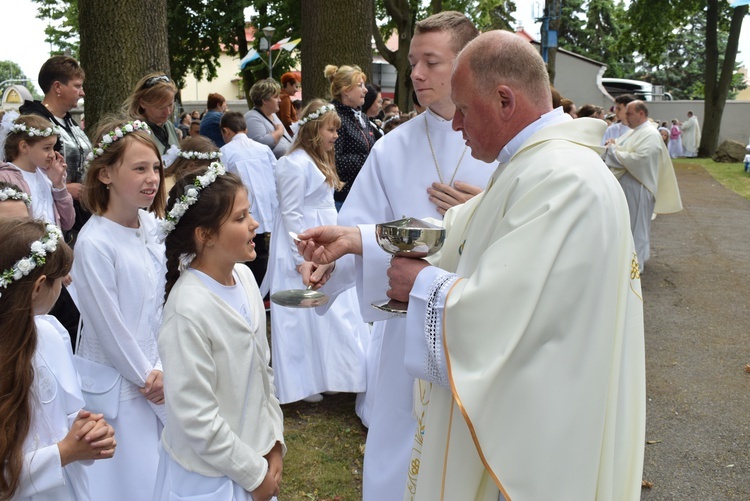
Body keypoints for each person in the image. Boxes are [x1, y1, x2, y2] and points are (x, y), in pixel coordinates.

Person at [297, 30, 647, 500]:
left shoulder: (561, 179)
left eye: (464, 109)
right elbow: (457, 235)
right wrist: (356, 239)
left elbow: (509, 308)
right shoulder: (534, 165)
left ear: (504, 100)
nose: (457, 125)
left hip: (543, 414)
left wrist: (420, 285)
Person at [310, 12, 494, 500]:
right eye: (413, 61)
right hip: (407, 324)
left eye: (430, 62)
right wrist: (329, 264)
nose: (415, 74)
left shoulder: (501, 144)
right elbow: (357, 230)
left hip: (480, 321)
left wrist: (479, 212)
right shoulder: (391, 149)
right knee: (401, 446)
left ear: (467, 65)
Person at [154, 165, 285, 501]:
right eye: (241, 218)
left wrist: (273, 443)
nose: (254, 223)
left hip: (255, 453)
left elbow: (261, 371)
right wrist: (254, 476)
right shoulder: (188, 310)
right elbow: (195, 416)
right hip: (211, 478)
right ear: (206, 235)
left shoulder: (244, 278)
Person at [72, 117, 167, 501]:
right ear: (106, 173)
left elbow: (158, 304)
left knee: (161, 473)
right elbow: (110, 327)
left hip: (155, 372)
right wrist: (148, 376)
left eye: (156, 168)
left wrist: (161, 365)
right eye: (139, 168)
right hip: (120, 383)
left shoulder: (151, 226)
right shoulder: (95, 243)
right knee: (129, 478)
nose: (152, 178)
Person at [0, 218, 117, 501]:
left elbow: (70, 410)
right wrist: (64, 452)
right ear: (38, 287)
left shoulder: (51, 333)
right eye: (61, 280)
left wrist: (89, 431)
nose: (67, 284)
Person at [265, 99, 368, 405]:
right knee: (301, 318)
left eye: (337, 129)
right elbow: (292, 215)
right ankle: (303, 381)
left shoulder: (318, 161)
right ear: (313, 129)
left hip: (325, 241)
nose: (336, 135)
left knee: (333, 311)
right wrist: (303, 258)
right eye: (330, 129)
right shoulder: (292, 164)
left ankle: (335, 374)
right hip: (304, 245)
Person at [603, 100, 683, 272]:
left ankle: (636, 265)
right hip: (629, 186)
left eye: (629, 113)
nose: (625, 116)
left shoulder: (650, 134)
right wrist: (614, 146)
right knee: (629, 225)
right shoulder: (636, 131)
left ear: (641, 114)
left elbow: (641, 159)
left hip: (639, 186)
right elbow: (624, 148)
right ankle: (630, 260)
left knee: (637, 227)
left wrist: (613, 151)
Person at [19, 55, 92, 238]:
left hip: (81, 210)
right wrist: (65, 189)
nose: (82, 92)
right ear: (57, 87)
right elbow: (22, 170)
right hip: (51, 214)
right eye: (77, 86)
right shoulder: (33, 121)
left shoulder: (68, 120)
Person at [220, 110, 278, 288]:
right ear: (245, 129)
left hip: (246, 206)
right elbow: (276, 174)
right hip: (269, 204)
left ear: (226, 131)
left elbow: (222, 182)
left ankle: (259, 288)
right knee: (270, 248)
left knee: (254, 247)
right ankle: (270, 286)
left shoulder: (225, 152)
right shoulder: (263, 148)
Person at [0, 114, 73, 231]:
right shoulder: (5, 178)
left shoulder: (47, 175)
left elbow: (67, 223)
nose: (53, 154)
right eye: (47, 148)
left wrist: (59, 186)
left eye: (53, 148)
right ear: (24, 147)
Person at [325, 64, 374, 210]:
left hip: (363, 195)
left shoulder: (362, 117)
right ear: (346, 91)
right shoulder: (334, 117)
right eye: (360, 85)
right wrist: (369, 159)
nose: (365, 90)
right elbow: (334, 160)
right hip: (343, 198)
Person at [123, 73, 180, 155]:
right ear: (142, 103)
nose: (168, 112)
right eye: (160, 107)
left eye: (170, 105)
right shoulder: (135, 133)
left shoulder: (169, 126)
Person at [245, 79, 292, 160]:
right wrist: (279, 131)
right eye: (276, 97)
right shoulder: (252, 117)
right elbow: (260, 143)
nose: (280, 100)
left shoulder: (272, 114)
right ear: (264, 100)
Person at [279, 72, 301, 136]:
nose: (297, 90)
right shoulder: (285, 98)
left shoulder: (281, 96)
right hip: (289, 133)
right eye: (296, 87)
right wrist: (300, 123)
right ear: (288, 84)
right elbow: (286, 121)